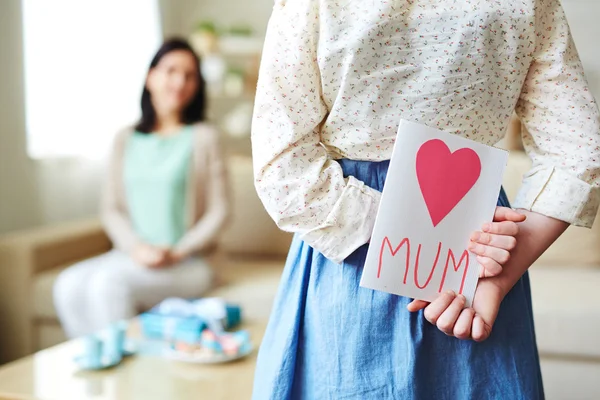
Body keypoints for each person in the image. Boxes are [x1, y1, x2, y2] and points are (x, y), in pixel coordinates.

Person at [251, 0, 600, 399]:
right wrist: (495, 275)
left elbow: (283, 167)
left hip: (352, 250)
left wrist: (412, 238)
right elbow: (579, 150)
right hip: (471, 257)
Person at [54, 39, 229, 338]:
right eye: (171, 70)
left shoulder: (204, 137)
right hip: (133, 256)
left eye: (190, 76)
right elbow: (111, 209)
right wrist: (137, 249)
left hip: (188, 262)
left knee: (107, 285)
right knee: (67, 284)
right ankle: (99, 364)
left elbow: (220, 211)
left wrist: (177, 251)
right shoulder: (124, 138)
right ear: (151, 77)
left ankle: (123, 376)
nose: (180, 81)